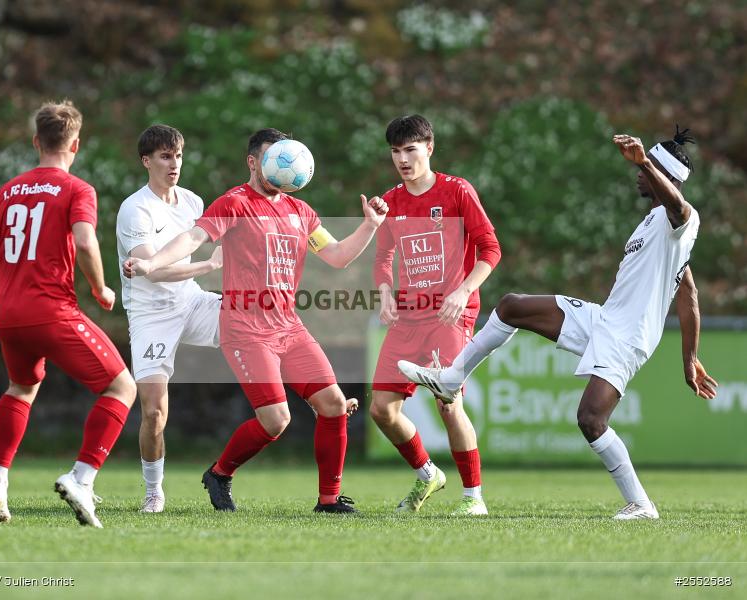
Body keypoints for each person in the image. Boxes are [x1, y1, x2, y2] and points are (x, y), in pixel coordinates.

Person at [400, 128, 718, 519]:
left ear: (663, 175)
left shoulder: (682, 219)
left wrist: (644, 161)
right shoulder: (654, 223)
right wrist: (690, 359)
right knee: (512, 306)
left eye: (647, 169)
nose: (637, 175)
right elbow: (689, 295)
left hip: (628, 337)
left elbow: (680, 208)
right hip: (603, 320)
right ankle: (452, 378)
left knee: (591, 420)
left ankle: (640, 504)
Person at [124, 128, 387, 513]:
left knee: (332, 403)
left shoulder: (301, 212)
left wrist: (370, 226)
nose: (279, 167)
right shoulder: (234, 202)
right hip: (245, 327)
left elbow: (337, 256)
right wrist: (151, 263)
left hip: (288, 326)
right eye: (270, 158)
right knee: (276, 420)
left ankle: (329, 500)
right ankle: (220, 473)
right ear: (253, 162)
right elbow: (192, 239)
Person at [0, 100, 137, 528]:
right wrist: (100, 287)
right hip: (51, 310)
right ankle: (81, 478)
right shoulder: (76, 189)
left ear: (35, 142)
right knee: (122, 387)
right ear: (76, 144)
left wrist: (20, 268)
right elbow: (84, 242)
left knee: (21, 388)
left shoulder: (6, 190)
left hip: (8, 312)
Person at [371, 115, 501, 516]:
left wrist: (463, 292)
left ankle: (473, 498)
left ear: (429, 147)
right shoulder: (391, 202)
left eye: (410, 149)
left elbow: (490, 249)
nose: (403, 159)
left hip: (450, 316)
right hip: (408, 317)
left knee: (448, 402)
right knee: (381, 410)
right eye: (396, 151)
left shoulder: (457, 191)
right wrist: (385, 291)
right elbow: (383, 255)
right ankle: (428, 473)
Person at [116, 124, 223, 513]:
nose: (173, 163)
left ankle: (313, 394)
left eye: (177, 155)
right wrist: (209, 265)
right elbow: (153, 270)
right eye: (164, 156)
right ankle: (153, 490)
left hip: (192, 303)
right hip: (151, 315)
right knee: (154, 411)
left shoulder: (194, 202)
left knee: (252, 321)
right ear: (147, 161)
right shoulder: (135, 209)